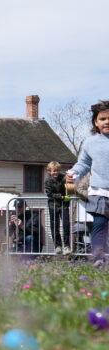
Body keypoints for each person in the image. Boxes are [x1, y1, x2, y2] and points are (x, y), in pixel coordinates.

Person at [67, 100, 109, 260]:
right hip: (100, 191)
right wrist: (73, 172)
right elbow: (83, 163)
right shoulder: (90, 143)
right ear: (96, 122)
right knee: (100, 223)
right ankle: (98, 256)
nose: (107, 122)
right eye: (103, 119)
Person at [45, 161, 71, 255]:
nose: (56, 173)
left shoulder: (63, 177)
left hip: (64, 205)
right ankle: (57, 246)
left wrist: (67, 195)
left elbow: (68, 186)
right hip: (53, 205)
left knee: (66, 224)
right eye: (54, 171)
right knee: (54, 225)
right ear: (49, 171)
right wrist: (61, 196)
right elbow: (49, 194)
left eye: (57, 171)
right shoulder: (48, 181)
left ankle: (67, 245)